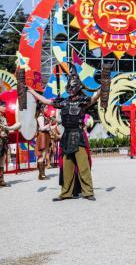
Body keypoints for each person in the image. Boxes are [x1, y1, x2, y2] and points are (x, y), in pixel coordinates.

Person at [29, 66, 104, 201]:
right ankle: (66, 193)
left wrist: (104, 84)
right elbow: (45, 101)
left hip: (79, 136)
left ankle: (88, 192)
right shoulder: (63, 102)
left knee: (83, 166)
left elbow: (94, 98)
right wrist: (31, 91)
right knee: (67, 168)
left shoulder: (83, 102)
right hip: (67, 136)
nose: (70, 89)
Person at [0, 100, 21, 187]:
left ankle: (1, 180)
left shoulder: (4, 117)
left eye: (5, 106)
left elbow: (6, 129)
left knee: (2, 161)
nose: (4, 108)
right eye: (2, 106)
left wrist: (13, 128)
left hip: (4, 140)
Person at [35, 104, 51, 180]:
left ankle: (42, 174)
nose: (47, 109)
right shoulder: (41, 117)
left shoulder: (43, 116)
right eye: (46, 107)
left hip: (45, 136)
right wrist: (49, 125)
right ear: (42, 108)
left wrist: (53, 125)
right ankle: (42, 175)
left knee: (43, 155)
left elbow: (46, 128)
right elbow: (42, 128)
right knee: (42, 156)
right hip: (43, 136)